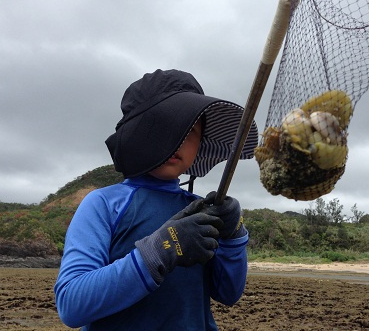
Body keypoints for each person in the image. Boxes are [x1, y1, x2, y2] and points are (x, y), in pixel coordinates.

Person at [54, 69, 258, 330]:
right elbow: (72, 304)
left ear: (200, 145)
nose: (180, 140)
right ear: (139, 131)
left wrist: (233, 235)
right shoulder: (103, 204)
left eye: (192, 131)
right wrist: (162, 249)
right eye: (169, 125)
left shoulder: (198, 211)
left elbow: (228, 293)